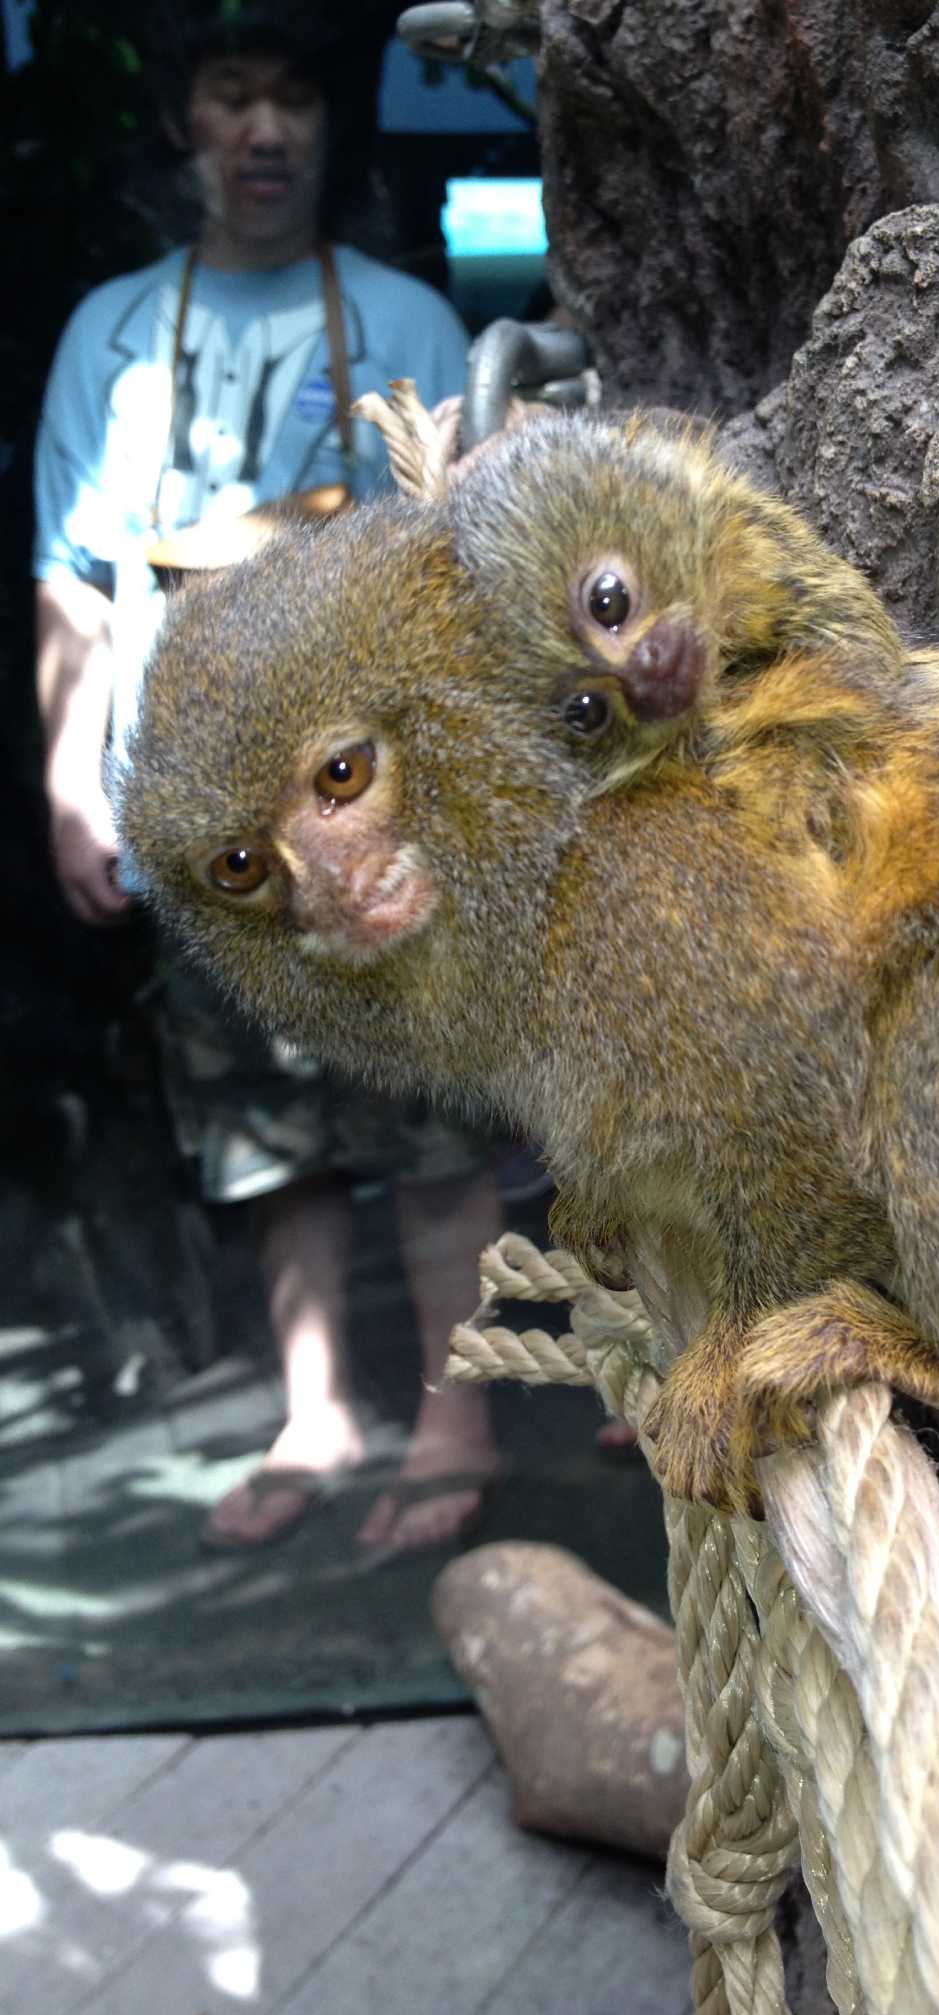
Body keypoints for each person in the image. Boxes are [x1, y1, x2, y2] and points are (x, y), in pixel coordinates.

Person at [33, 16, 506, 1557]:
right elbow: (76, 582)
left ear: (326, 126)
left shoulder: (409, 320)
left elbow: (464, 571)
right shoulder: (109, 331)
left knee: (426, 1110)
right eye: (233, 96)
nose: (263, 128)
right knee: (255, 1123)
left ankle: (459, 1410)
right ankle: (318, 1410)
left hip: (377, 803)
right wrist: (66, 778)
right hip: (196, 800)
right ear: (188, 124)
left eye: (292, 97)